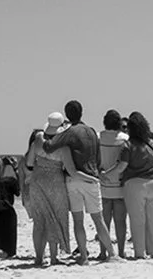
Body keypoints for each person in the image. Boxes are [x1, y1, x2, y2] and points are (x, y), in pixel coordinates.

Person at [49, 99, 106, 264]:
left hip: (73, 178)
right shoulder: (92, 131)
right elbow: (98, 157)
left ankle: (84, 255)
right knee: (98, 219)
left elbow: (54, 149)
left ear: (66, 114)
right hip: (91, 177)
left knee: (78, 221)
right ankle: (109, 253)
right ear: (82, 112)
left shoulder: (68, 133)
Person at [21, 117, 71, 266]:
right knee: (55, 217)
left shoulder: (38, 139)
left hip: (38, 180)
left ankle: (38, 257)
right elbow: (68, 167)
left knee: (39, 220)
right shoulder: (63, 145)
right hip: (56, 182)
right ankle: (54, 257)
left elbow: (29, 162)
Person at [119, 110, 153, 259]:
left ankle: (140, 253)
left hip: (134, 184)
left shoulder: (128, 145)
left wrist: (107, 174)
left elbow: (122, 166)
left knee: (137, 220)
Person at [97, 111, 132, 260]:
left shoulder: (98, 137)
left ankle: (103, 252)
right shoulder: (125, 139)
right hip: (119, 184)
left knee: (104, 221)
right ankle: (122, 251)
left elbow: (95, 159)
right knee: (120, 221)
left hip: (102, 183)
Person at [0, 146, 20, 259]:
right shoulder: (8, 182)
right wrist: (14, 170)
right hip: (6, 212)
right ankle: (6, 252)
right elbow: (18, 191)